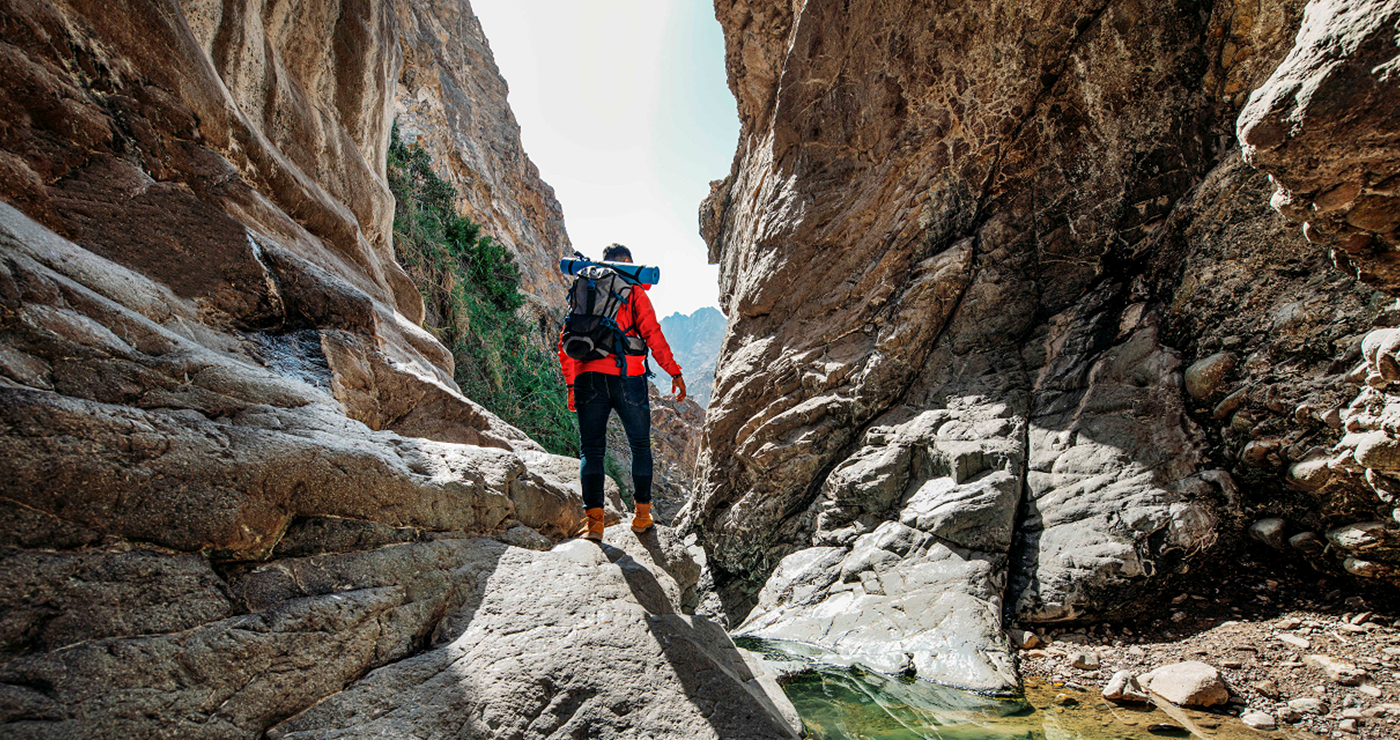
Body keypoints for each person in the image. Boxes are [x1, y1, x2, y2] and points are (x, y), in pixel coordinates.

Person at [559, 243, 686, 541]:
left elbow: (567, 340)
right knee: (640, 446)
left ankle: (594, 525)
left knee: (591, 450)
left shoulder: (585, 289)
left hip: (588, 378)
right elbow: (653, 334)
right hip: (629, 377)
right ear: (627, 262)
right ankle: (642, 517)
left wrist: (570, 385)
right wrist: (674, 372)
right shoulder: (632, 290)